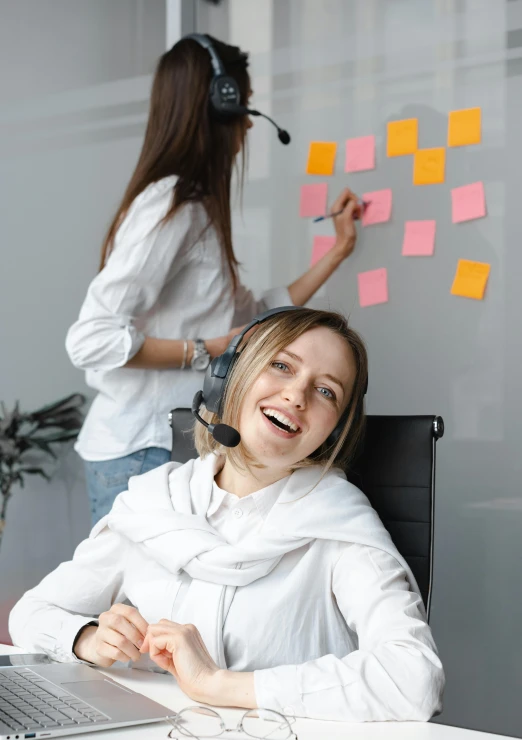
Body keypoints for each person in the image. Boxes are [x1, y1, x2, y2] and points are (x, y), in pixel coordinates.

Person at [10, 308, 444, 722]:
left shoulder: (340, 528)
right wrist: (87, 638)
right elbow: (31, 614)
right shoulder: (154, 502)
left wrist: (219, 685)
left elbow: (414, 679)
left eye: (326, 390)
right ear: (228, 376)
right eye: (282, 366)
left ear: (334, 428)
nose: (296, 395)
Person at [65, 34, 362, 526]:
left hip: (164, 444)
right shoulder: (173, 205)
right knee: (134, 604)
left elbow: (257, 315)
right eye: (241, 105)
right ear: (219, 105)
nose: (247, 121)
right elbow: (91, 340)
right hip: (141, 449)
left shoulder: (197, 210)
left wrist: (339, 250)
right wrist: (205, 347)